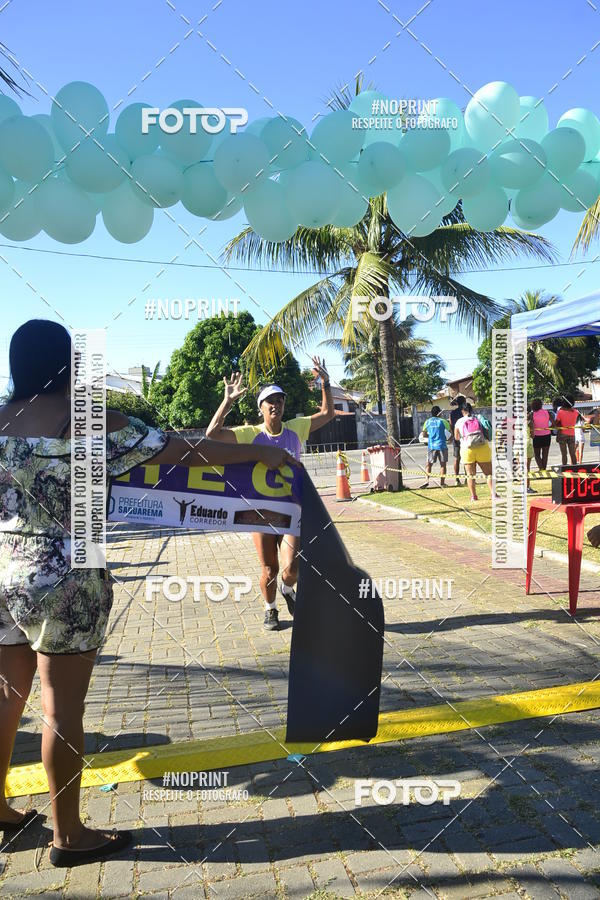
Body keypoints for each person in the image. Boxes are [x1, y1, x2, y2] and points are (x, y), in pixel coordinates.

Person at [0, 320, 296, 868]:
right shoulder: (85, 419)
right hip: (66, 574)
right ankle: (69, 837)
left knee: (6, 695)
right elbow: (181, 450)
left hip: (3, 570)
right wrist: (261, 457)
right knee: (61, 710)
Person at [206, 358, 334, 631]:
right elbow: (212, 434)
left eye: (280, 400)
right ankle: (270, 608)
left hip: (291, 510)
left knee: (291, 571)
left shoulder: (296, 428)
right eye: (270, 401)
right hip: (258, 512)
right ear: (261, 408)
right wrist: (227, 402)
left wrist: (326, 383)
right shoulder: (250, 434)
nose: (276, 404)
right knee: (269, 571)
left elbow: (327, 413)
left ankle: (288, 591)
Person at [454, 402, 495, 502]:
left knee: (470, 474)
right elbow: (488, 429)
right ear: (471, 409)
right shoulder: (479, 417)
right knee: (488, 473)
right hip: (482, 447)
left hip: (467, 449)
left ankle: (474, 496)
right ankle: (493, 494)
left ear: (462, 411)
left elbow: (456, 437)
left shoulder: (459, 421)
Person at [419, 406, 451, 488]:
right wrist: (449, 439)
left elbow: (424, 434)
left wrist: (431, 436)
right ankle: (442, 483)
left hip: (431, 445)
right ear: (439, 413)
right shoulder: (443, 421)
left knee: (429, 464)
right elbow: (450, 432)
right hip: (442, 445)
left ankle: (426, 480)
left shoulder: (427, 422)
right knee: (443, 465)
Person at [529, 399, 554, 472]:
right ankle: (544, 469)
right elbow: (554, 423)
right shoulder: (547, 412)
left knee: (537, 455)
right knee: (545, 454)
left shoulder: (532, 414)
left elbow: (529, 424)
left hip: (537, 436)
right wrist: (549, 428)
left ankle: (541, 469)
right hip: (547, 435)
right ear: (541, 405)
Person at [554, 396, 579, 465]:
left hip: (562, 434)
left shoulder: (560, 412)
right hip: (572, 434)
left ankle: (564, 468)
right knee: (572, 454)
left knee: (564, 454)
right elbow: (573, 410)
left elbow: (556, 422)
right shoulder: (575, 412)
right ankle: (575, 468)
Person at [448, 394, 466, 486]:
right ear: (464, 402)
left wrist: (454, 435)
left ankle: (457, 479)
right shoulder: (466, 412)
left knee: (456, 458)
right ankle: (468, 478)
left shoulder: (452, 413)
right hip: (465, 437)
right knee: (467, 458)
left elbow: (451, 425)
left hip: (456, 437)